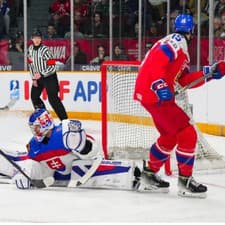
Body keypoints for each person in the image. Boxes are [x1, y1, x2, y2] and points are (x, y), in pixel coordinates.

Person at [133, 14, 225, 198]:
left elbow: (182, 81)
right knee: (187, 133)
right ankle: (185, 181)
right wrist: (159, 85)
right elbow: (156, 62)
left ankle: (149, 175)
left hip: (150, 94)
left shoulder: (179, 46)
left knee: (169, 137)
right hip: (156, 95)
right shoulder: (176, 41)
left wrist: (207, 73)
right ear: (192, 31)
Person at [0, 108, 156, 192]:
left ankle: (135, 175)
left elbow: (94, 150)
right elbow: (33, 165)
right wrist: (26, 173)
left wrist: (83, 145)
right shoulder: (34, 145)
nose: (34, 131)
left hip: (78, 172)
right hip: (54, 175)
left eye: (36, 128)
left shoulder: (64, 133)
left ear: (45, 124)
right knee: (19, 160)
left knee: (80, 168)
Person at [27, 28, 68, 121]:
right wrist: (33, 78)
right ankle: (44, 119)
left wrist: (41, 74)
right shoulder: (30, 49)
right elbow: (30, 65)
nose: (36, 40)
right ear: (32, 39)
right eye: (34, 38)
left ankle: (65, 120)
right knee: (34, 97)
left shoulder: (45, 50)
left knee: (53, 99)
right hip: (38, 77)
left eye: (38, 38)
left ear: (41, 39)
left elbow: (52, 66)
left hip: (50, 77)